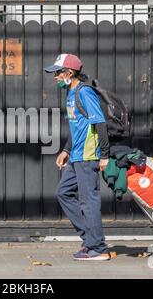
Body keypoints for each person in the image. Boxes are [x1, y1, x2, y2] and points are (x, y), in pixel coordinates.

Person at [45, 54, 110, 261]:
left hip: (88, 156)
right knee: (63, 193)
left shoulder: (84, 93)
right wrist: (65, 150)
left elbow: (99, 122)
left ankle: (98, 248)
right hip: (75, 156)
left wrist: (105, 155)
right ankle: (90, 239)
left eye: (57, 72)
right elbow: (77, 127)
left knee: (88, 202)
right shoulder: (70, 94)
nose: (55, 77)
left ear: (69, 73)